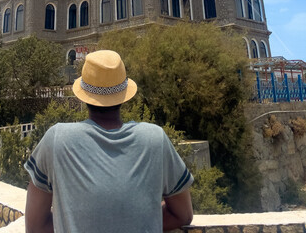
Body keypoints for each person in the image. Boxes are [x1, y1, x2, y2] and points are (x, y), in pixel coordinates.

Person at [25, 49, 194, 233]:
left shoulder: (57, 139)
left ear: (83, 95)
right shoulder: (155, 138)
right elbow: (182, 214)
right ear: (124, 94)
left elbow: (35, 226)